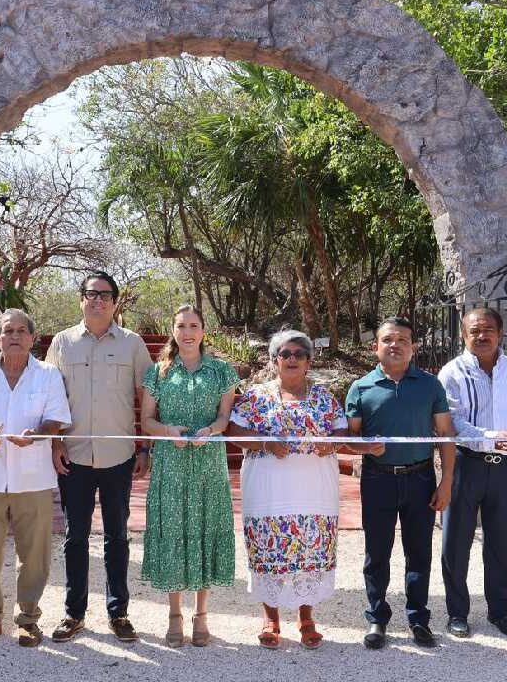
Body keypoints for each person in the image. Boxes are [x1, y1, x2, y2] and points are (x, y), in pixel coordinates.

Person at [45, 272, 152, 644]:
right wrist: (56, 443)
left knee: (117, 536)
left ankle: (118, 611)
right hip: (73, 456)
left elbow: (146, 398)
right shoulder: (62, 343)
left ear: (115, 302)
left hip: (119, 456)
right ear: (81, 299)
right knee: (75, 537)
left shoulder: (133, 344)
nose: (98, 300)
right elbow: (51, 399)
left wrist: (143, 446)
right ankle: (74, 613)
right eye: (92, 294)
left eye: (106, 295)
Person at [0, 309, 71, 649]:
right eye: (8, 331)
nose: (15, 336)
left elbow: (56, 420)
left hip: (33, 476)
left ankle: (28, 620)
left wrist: (36, 435)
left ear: (33, 338)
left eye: (22, 331)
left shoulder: (48, 374)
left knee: (34, 553)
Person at [228, 330, 347, 650]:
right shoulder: (256, 395)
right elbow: (233, 429)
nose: (291, 359)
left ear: (309, 361)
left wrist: (330, 443)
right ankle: (271, 616)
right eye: (285, 353)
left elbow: (343, 431)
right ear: (274, 360)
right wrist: (265, 442)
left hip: (314, 493)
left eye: (298, 354)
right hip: (268, 492)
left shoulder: (324, 397)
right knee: (268, 551)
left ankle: (306, 617)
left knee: (310, 551)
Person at [346, 317, 457, 650]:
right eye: (388, 339)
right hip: (378, 479)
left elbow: (446, 433)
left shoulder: (430, 385)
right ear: (375, 346)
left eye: (403, 340)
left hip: (421, 478)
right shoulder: (361, 388)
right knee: (376, 552)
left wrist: (447, 479)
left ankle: (418, 619)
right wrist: (365, 446)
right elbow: (349, 437)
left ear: (414, 347)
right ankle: (377, 618)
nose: (395, 345)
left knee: (419, 552)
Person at [139, 306, 238, 648]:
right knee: (175, 532)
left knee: (205, 529)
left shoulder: (222, 372)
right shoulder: (158, 373)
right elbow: (146, 422)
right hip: (171, 463)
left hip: (208, 463)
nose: (187, 332)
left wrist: (212, 429)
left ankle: (202, 615)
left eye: (193, 325)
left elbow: (225, 417)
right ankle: (174, 615)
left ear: (203, 330)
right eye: (181, 326)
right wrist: (168, 431)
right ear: (173, 330)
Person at [437, 308, 507, 640]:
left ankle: (500, 611)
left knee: (502, 543)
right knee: (456, 543)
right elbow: (453, 422)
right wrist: (491, 438)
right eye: (475, 331)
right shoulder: (452, 372)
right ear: (464, 335)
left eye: (488, 329)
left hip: (505, 467)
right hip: (466, 464)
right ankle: (457, 613)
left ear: (500, 333)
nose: (482, 336)